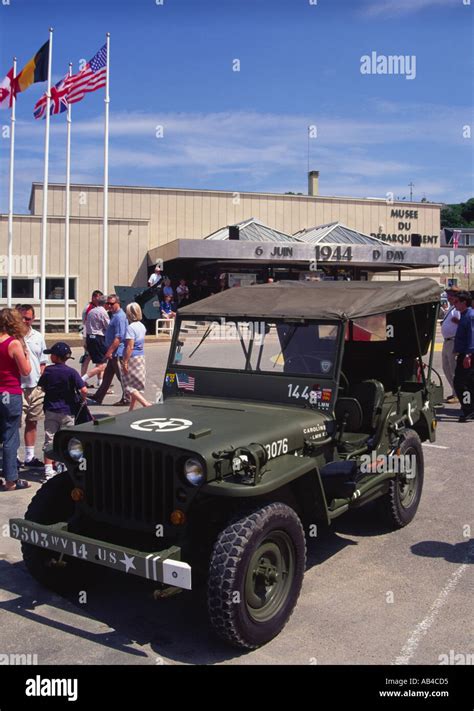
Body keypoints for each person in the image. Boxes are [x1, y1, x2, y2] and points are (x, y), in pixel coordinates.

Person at [38, 342, 87, 482]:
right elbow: (83, 389)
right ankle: (67, 466)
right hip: (68, 410)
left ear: (55, 357)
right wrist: (83, 400)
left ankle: (48, 470)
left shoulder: (48, 371)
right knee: (68, 440)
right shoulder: (71, 372)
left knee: (50, 439)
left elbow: (41, 387)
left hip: (51, 409)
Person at [0, 308, 32, 491]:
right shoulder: (13, 344)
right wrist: (26, 354)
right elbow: (25, 370)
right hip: (9, 392)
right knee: (10, 436)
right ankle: (11, 479)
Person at [18, 305, 48, 468]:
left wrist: (41, 381)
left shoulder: (38, 336)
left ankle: (29, 456)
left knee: (33, 421)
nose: (24, 321)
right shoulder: (13, 337)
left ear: (33, 319)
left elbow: (43, 361)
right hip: (18, 387)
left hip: (35, 387)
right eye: (21, 317)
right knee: (15, 424)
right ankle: (13, 456)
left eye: (28, 318)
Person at [89, 294, 128, 405]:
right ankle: (98, 397)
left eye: (112, 304)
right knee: (107, 376)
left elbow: (119, 337)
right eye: (108, 303)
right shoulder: (114, 315)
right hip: (113, 353)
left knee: (122, 377)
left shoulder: (120, 317)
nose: (109, 306)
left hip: (117, 353)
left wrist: (109, 351)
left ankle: (127, 398)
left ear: (118, 303)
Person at [118, 303, 151, 411]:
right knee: (136, 386)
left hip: (131, 358)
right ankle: (131, 410)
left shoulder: (130, 328)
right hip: (140, 357)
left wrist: (125, 362)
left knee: (128, 386)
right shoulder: (142, 326)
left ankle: (145, 403)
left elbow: (129, 346)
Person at [452, 291, 474, 422]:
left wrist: (468, 354)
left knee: (461, 383)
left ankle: (468, 409)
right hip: (465, 353)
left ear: (463, 302)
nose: (454, 305)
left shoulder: (470, 316)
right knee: (469, 383)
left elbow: (472, 336)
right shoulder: (465, 315)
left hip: (468, 355)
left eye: (456, 302)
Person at [84, 294, 110, 389]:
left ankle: (101, 382)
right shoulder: (103, 312)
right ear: (105, 304)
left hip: (89, 337)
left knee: (98, 361)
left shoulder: (91, 311)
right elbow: (108, 326)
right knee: (103, 364)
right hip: (99, 337)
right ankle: (82, 379)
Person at [441, 286, 461, 403]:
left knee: (454, 369)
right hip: (447, 341)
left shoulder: (458, 309)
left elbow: (463, 324)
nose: (448, 297)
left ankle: (457, 394)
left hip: (453, 341)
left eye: (450, 295)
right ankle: (455, 391)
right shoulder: (452, 308)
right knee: (446, 367)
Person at [80, 290, 104, 378]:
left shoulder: (97, 307)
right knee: (87, 357)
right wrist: (85, 339)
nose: (99, 300)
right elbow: (86, 324)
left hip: (94, 335)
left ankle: (100, 379)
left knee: (99, 359)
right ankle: (82, 378)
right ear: (93, 297)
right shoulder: (90, 308)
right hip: (89, 335)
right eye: (98, 298)